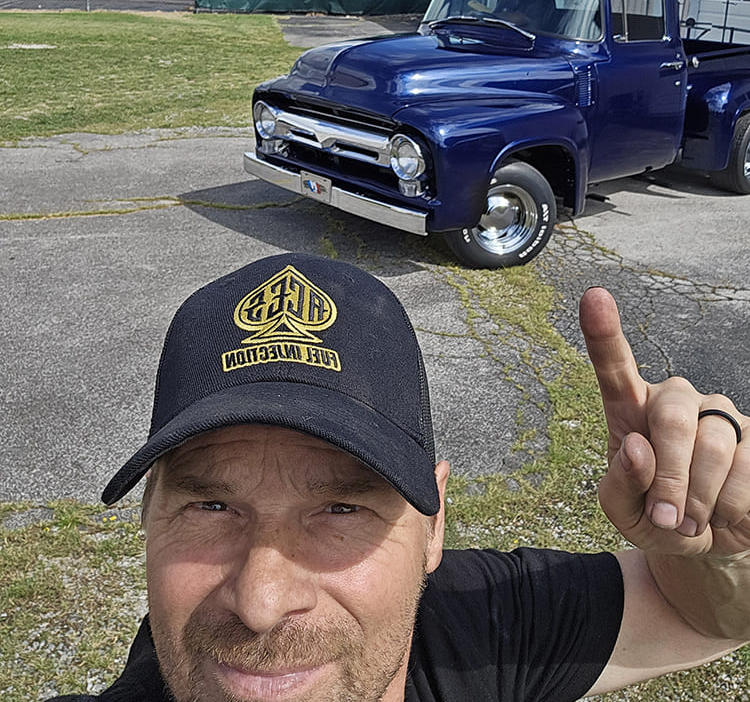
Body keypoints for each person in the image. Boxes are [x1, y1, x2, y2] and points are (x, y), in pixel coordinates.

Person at [46, 252, 749, 702]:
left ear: (433, 523)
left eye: (342, 510)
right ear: (149, 515)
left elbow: (700, 615)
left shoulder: (477, 633)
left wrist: (720, 536)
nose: (260, 603)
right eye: (210, 503)